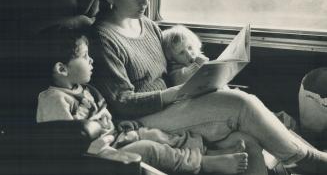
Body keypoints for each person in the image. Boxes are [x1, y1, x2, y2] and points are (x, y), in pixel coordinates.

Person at [89, 0, 327, 174]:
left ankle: (307, 157)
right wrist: (174, 94)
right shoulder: (102, 39)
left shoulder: (148, 25)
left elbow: (167, 70)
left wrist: (197, 74)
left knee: (245, 138)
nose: (146, 1)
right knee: (241, 104)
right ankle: (310, 161)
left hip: (173, 102)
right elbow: (122, 102)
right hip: (140, 120)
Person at [35, 28, 249, 174]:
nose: (91, 60)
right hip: (101, 156)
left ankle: (208, 152)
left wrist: (124, 127)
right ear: (62, 68)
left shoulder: (87, 89)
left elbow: (104, 118)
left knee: (154, 134)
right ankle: (204, 163)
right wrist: (109, 143)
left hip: (116, 138)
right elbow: (65, 144)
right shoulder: (53, 99)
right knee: (149, 148)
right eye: (84, 56)